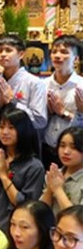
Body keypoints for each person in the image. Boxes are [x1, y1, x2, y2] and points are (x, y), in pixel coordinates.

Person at [0, 107, 45, 230]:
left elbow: (26, 206)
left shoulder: (34, 166)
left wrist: (3, 177)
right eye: (1, 127)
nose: (4, 132)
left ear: (23, 130)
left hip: (12, 229)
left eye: (11, 128)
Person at [0, 35, 47, 131]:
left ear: (21, 54)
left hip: (26, 137)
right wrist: (0, 105)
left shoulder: (35, 83)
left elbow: (40, 121)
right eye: (0, 51)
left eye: (8, 50)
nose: (3, 54)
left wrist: (13, 102)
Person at [43, 35, 83, 168]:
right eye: (54, 52)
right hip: (46, 147)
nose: (57, 56)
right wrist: (47, 111)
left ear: (76, 59)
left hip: (75, 152)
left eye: (64, 52)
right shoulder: (42, 85)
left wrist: (63, 113)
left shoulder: (81, 86)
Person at [41, 127, 83, 214]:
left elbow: (77, 219)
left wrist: (58, 190)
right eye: (62, 146)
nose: (66, 152)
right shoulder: (54, 175)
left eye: (74, 147)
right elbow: (40, 213)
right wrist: (50, 189)